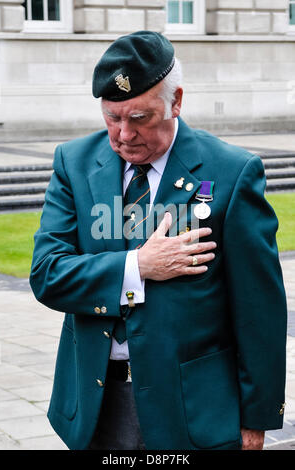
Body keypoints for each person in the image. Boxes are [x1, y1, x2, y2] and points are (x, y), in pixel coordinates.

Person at [30, 31, 287, 451]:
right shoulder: (72, 164)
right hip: (96, 405)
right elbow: (47, 273)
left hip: (192, 409)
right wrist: (138, 266)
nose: (123, 134)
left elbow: (260, 311)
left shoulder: (233, 172)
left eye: (140, 118)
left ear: (176, 101)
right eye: (112, 117)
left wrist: (256, 417)